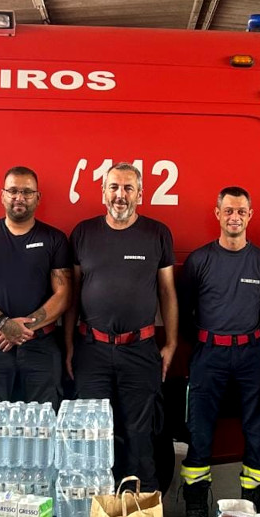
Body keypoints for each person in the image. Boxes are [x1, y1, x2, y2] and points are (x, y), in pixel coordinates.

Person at [65, 162, 178, 493]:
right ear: (103, 192)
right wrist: (70, 344)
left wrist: (170, 343)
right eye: (114, 187)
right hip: (91, 350)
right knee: (89, 434)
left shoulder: (157, 234)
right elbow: (72, 295)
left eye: (128, 188)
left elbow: (167, 292)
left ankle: (139, 514)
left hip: (140, 350)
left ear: (140, 194)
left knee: (139, 435)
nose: (120, 194)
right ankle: (92, 510)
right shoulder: (83, 233)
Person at [178, 187, 260, 517]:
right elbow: (184, 311)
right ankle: (195, 505)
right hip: (208, 355)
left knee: (256, 430)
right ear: (217, 214)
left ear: (250, 215)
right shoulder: (199, 260)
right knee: (200, 429)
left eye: (241, 211)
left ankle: (253, 504)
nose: (234, 217)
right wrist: (207, 342)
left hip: (251, 356)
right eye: (228, 211)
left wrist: (250, 339)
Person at [0, 167, 72, 405]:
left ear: (37, 197)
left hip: (41, 347)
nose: (19, 197)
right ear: (2, 195)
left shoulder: (55, 238)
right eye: (12, 191)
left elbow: (63, 294)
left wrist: (21, 329)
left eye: (27, 192)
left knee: (43, 428)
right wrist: (3, 323)